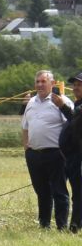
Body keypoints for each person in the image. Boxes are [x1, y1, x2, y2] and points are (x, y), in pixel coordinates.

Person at [21, 69, 71, 230]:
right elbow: (25, 127)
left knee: (59, 191)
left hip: (56, 153)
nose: (40, 85)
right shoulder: (31, 103)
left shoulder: (61, 102)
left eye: (44, 81)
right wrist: (27, 149)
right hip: (35, 154)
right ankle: (44, 224)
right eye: (38, 82)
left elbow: (72, 125)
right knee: (42, 191)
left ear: (53, 83)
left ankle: (62, 226)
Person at [64, 73, 82, 232]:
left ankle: (75, 225)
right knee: (77, 191)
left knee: (79, 192)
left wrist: (63, 107)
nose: (75, 87)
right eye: (74, 84)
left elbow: (75, 117)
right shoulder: (77, 104)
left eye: (79, 84)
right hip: (73, 156)